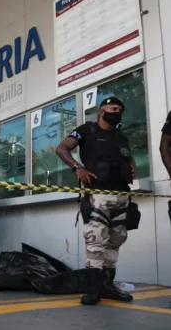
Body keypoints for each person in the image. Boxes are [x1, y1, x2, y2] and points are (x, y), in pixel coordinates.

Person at [55, 97, 137, 306]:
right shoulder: (87, 130)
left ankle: (107, 286)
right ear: (102, 111)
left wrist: (132, 166)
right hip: (98, 194)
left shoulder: (121, 136)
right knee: (96, 240)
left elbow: (127, 157)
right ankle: (93, 289)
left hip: (122, 195)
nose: (117, 111)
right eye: (113, 108)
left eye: (120, 109)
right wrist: (77, 167)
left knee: (115, 240)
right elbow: (62, 148)